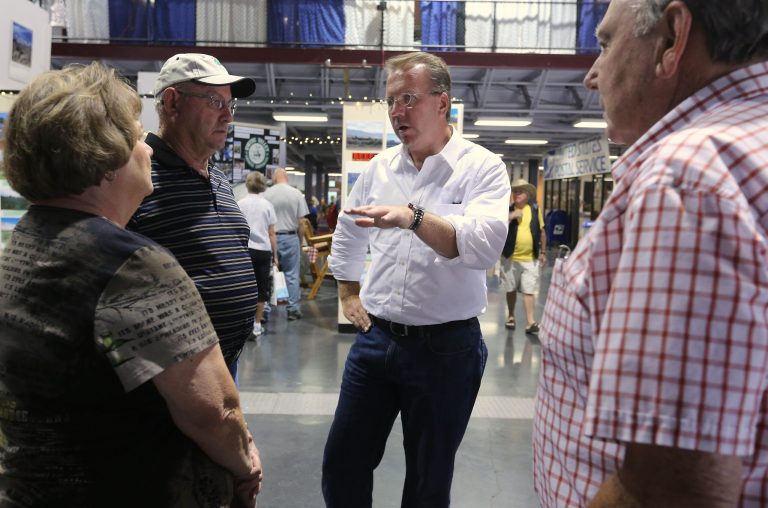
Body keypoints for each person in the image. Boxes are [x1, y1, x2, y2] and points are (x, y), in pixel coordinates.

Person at [533, 1, 768, 506]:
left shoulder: (692, 174)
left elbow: (668, 490)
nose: (592, 75)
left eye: (606, 43)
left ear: (671, 40)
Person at [0, 63, 262, 507]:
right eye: (137, 135)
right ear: (102, 157)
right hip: (128, 479)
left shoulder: (25, 242)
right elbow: (211, 412)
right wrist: (244, 462)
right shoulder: (133, 263)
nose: (146, 147)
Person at [322, 51, 510, 507]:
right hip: (377, 340)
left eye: (408, 98)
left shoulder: (482, 168)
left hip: (447, 350)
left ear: (442, 103)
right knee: (343, 462)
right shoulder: (380, 168)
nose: (397, 112)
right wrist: (348, 289)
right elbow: (348, 229)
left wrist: (413, 217)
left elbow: (483, 248)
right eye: (390, 101)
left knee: (428, 479)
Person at [128, 53, 258, 379]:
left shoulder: (217, 176)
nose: (228, 116)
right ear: (173, 103)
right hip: (170, 376)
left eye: (231, 105)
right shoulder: (136, 177)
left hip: (225, 362)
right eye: (216, 101)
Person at [262, 167, 310, 320]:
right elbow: (301, 222)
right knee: (292, 275)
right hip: (290, 238)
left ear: (275, 178)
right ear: (286, 177)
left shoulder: (266, 194)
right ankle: (293, 309)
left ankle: (265, 309)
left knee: (268, 275)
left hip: (271, 238)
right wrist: (300, 240)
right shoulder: (296, 194)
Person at [500, 178, 546, 334]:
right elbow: (495, 225)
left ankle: (530, 322)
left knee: (529, 290)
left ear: (527, 194)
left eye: (520, 191)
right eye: (515, 191)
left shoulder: (535, 210)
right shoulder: (506, 210)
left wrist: (543, 252)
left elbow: (542, 231)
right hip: (509, 257)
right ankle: (511, 316)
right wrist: (511, 216)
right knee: (511, 289)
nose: (516, 194)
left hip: (530, 258)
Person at [238, 171, 278, 337]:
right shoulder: (267, 205)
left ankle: (243, 324)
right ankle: (256, 323)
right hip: (263, 251)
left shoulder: (239, 204)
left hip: (245, 251)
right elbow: (271, 233)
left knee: (244, 288)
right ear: (262, 185)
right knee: (261, 289)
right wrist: (275, 256)